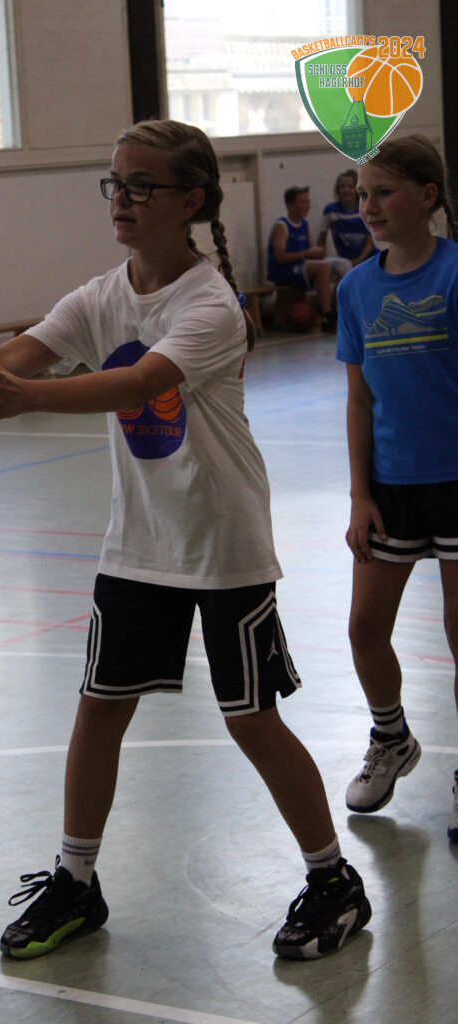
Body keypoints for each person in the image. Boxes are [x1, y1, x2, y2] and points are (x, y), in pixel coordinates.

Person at [0, 119, 371, 959]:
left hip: (222, 543)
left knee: (249, 719)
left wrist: (28, 398)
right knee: (98, 710)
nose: (120, 199)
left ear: (188, 201)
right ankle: (76, 882)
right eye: (114, 183)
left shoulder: (208, 305)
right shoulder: (100, 294)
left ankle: (332, 879)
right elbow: (24, 350)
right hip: (139, 543)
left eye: (139, 185)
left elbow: (137, 381)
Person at [335, 134, 458, 842]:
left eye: (383, 192)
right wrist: (359, 495)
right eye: (362, 194)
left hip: (455, 483)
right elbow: (358, 400)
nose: (368, 206)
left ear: (427, 197)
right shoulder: (356, 289)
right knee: (363, 629)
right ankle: (391, 737)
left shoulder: (454, 274)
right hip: (390, 489)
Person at [267, 186, 347, 333]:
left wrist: (317, 252)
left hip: (300, 266)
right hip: (283, 270)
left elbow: (311, 252)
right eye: (303, 202)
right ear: (291, 205)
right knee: (322, 267)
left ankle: (340, 309)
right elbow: (280, 257)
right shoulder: (282, 226)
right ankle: (327, 315)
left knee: (343, 264)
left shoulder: (304, 224)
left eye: (308, 202)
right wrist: (308, 253)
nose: (307, 206)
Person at [318, 169, 374, 267]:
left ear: (357, 189)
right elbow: (321, 240)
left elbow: (369, 244)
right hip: (344, 261)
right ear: (338, 189)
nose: (346, 190)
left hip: (366, 258)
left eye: (350, 186)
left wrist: (358, 261)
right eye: (343, 186)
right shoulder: (330, 211)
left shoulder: (364, 209)